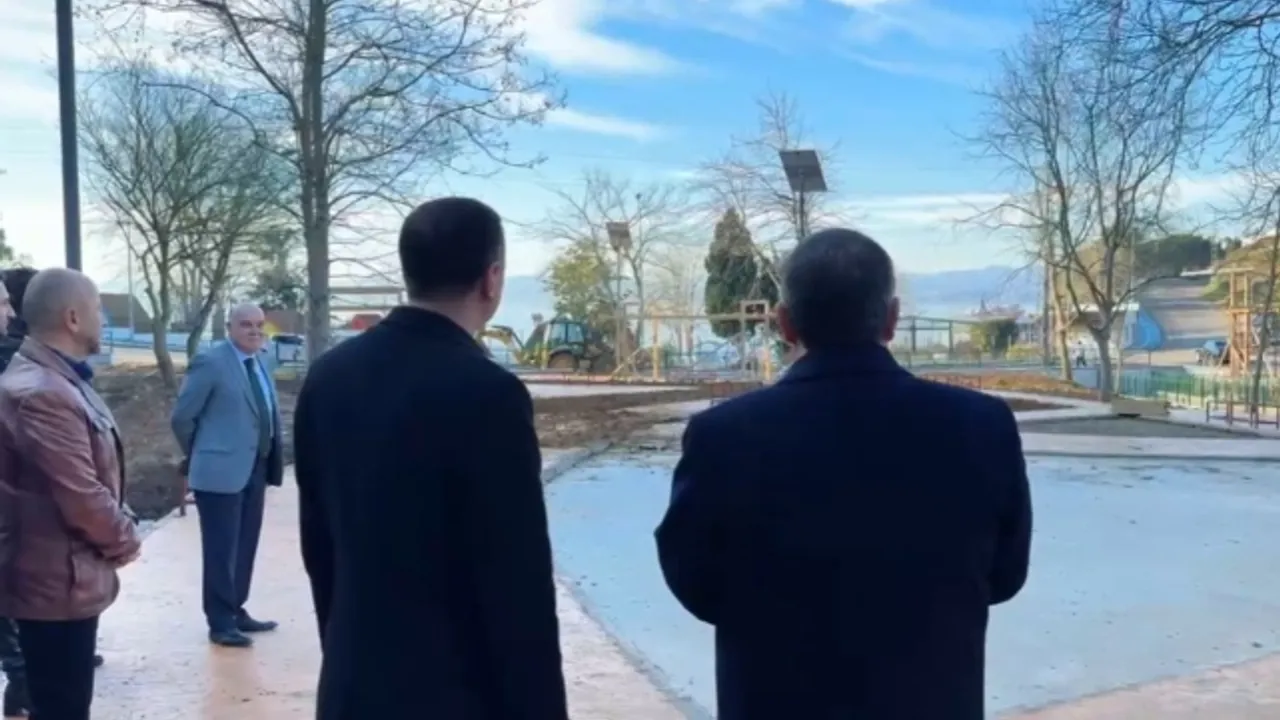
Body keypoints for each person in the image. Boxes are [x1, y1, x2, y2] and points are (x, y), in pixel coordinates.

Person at [655, 229, 1033, 720]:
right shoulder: (982, 425)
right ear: (892, 318)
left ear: (785, 324)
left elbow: (694, 580)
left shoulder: (722, 436)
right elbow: (1005, 575)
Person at [294, 197, 568, 719]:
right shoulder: (490, 394)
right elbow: (516, 584)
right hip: (456, 696)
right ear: (491, 279)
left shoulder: (329, 377)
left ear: (409, 272)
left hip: (353, 686)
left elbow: (320, 548)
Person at [0, 268, 142, 720]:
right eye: (98, 309)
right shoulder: (44, 393)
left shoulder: (57, 379)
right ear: (73, 318)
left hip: (64, 579)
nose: (104, 319)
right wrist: (126, 538)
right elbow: (81, 495)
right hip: (55, 585)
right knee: (62, 709)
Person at [170, 302, 283, 648]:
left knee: (245, 544)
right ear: (230, 327)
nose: (254, 331)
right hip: (219, 472)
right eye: (246, 324)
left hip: (256, 467)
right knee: (221, 549)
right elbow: (182, 417)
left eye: (259, 324)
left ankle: (236, 610)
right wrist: (204, 450)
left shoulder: (262, 360)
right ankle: (220, 622)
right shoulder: (211, 362)